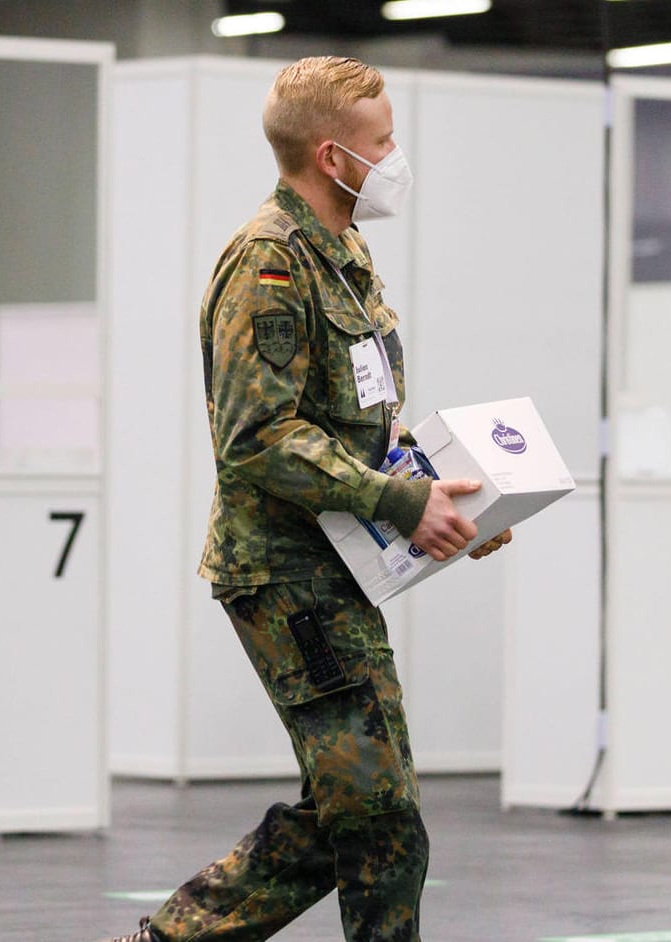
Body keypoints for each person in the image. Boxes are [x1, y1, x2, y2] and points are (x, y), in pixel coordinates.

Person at [100, 56, 510, 942]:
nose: (396, 156)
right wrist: (403, 505)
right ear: (333, 156)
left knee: (361, 813)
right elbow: (258, 442)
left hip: (341, 567)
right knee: (379, 819)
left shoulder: (345, 254)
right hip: (285, 576)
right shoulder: (268, 264)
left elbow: (358, 425)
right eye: (383, 141)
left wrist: (447, 502)